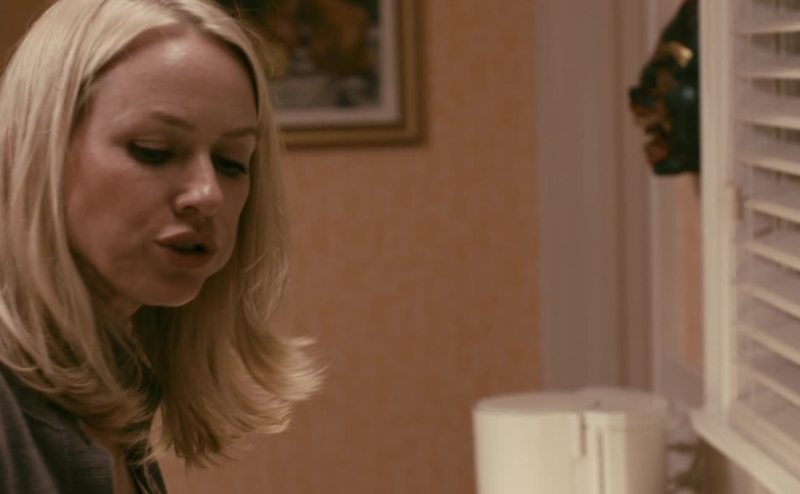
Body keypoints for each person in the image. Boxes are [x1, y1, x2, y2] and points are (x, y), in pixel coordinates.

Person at [0, 0, 320, 492]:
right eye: (154, 150)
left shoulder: (119, 385)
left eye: (232, 162)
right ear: (41, 153)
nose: (208, 194)